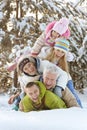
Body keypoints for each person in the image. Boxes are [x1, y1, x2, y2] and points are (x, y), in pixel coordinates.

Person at [38, 38, 82, 108]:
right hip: (52, 79)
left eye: (62, 52)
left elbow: (64, 74)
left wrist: (59, 87)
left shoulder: (63, 61)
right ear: (54, 49)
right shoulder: (47, 56)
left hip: (66, 79)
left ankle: (80, 108)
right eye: (58, 50)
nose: (59, 53)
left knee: (72, 94)